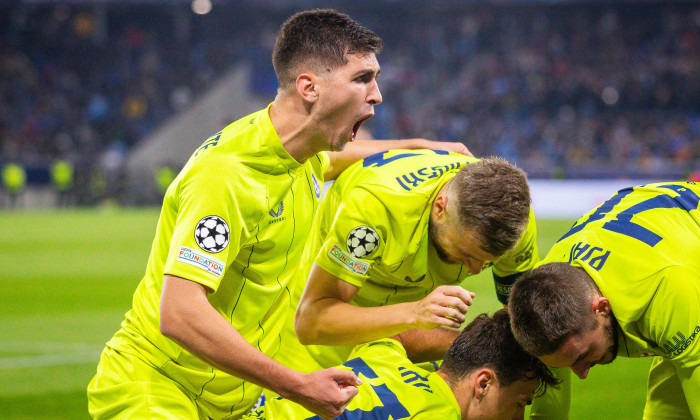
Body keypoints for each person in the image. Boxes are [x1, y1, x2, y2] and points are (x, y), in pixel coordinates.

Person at [87, 9, 469, 420]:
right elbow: (179, 312)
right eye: (362, 79)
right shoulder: (227, 175)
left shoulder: (300, 152)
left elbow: (335, 160)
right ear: (308, 87)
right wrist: (297, 384)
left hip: (233, 399)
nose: (376, 95)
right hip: (156, 387)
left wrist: (417, 145)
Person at [277, 149, 537, 375]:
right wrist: (414, 312)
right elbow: (312, 322)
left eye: (488, 261)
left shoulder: (514, 222)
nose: (474, 270)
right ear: (440, 208)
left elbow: (524, 329)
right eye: (466, 253)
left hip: (405, 346)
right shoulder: (374, 210)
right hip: (322, 347)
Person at [508, 181, 700, 418]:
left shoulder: (665, 292)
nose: (582, 374)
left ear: (602, 308)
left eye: (582, 356)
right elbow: (549, 405)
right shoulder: (545, 296)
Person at [247, 309, 558, 420]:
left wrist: (474, 344)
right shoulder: (441, 413)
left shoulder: (387, 358)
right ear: (484, 383)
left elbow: (399, 335)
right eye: (520, 403)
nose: (520, 418)